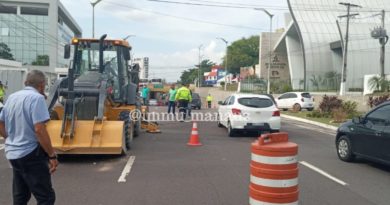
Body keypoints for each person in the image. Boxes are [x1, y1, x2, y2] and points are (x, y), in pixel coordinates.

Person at [0, 70, 58, 205]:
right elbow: (39, 129)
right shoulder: (37, 98)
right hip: (30, 154)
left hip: (13, 154)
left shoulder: (12, 97)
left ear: (26, 82)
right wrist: (51, 155)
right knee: (46, 198)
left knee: (20, 197)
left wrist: (9, 139)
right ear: (42, 85)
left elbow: (1, 122)